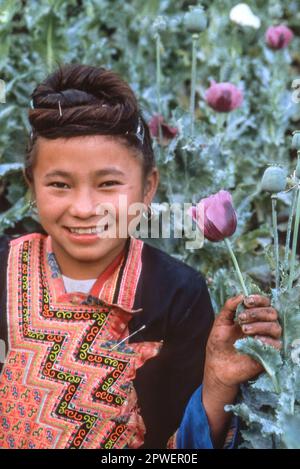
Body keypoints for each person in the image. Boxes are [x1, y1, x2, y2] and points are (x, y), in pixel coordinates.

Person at [0, 64, 281, 450]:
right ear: (31, 185)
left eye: (108, 184)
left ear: (148, 188)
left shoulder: (178, 295)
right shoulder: (5, 268)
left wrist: (217, 384)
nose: (83, 208)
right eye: (60, 184)